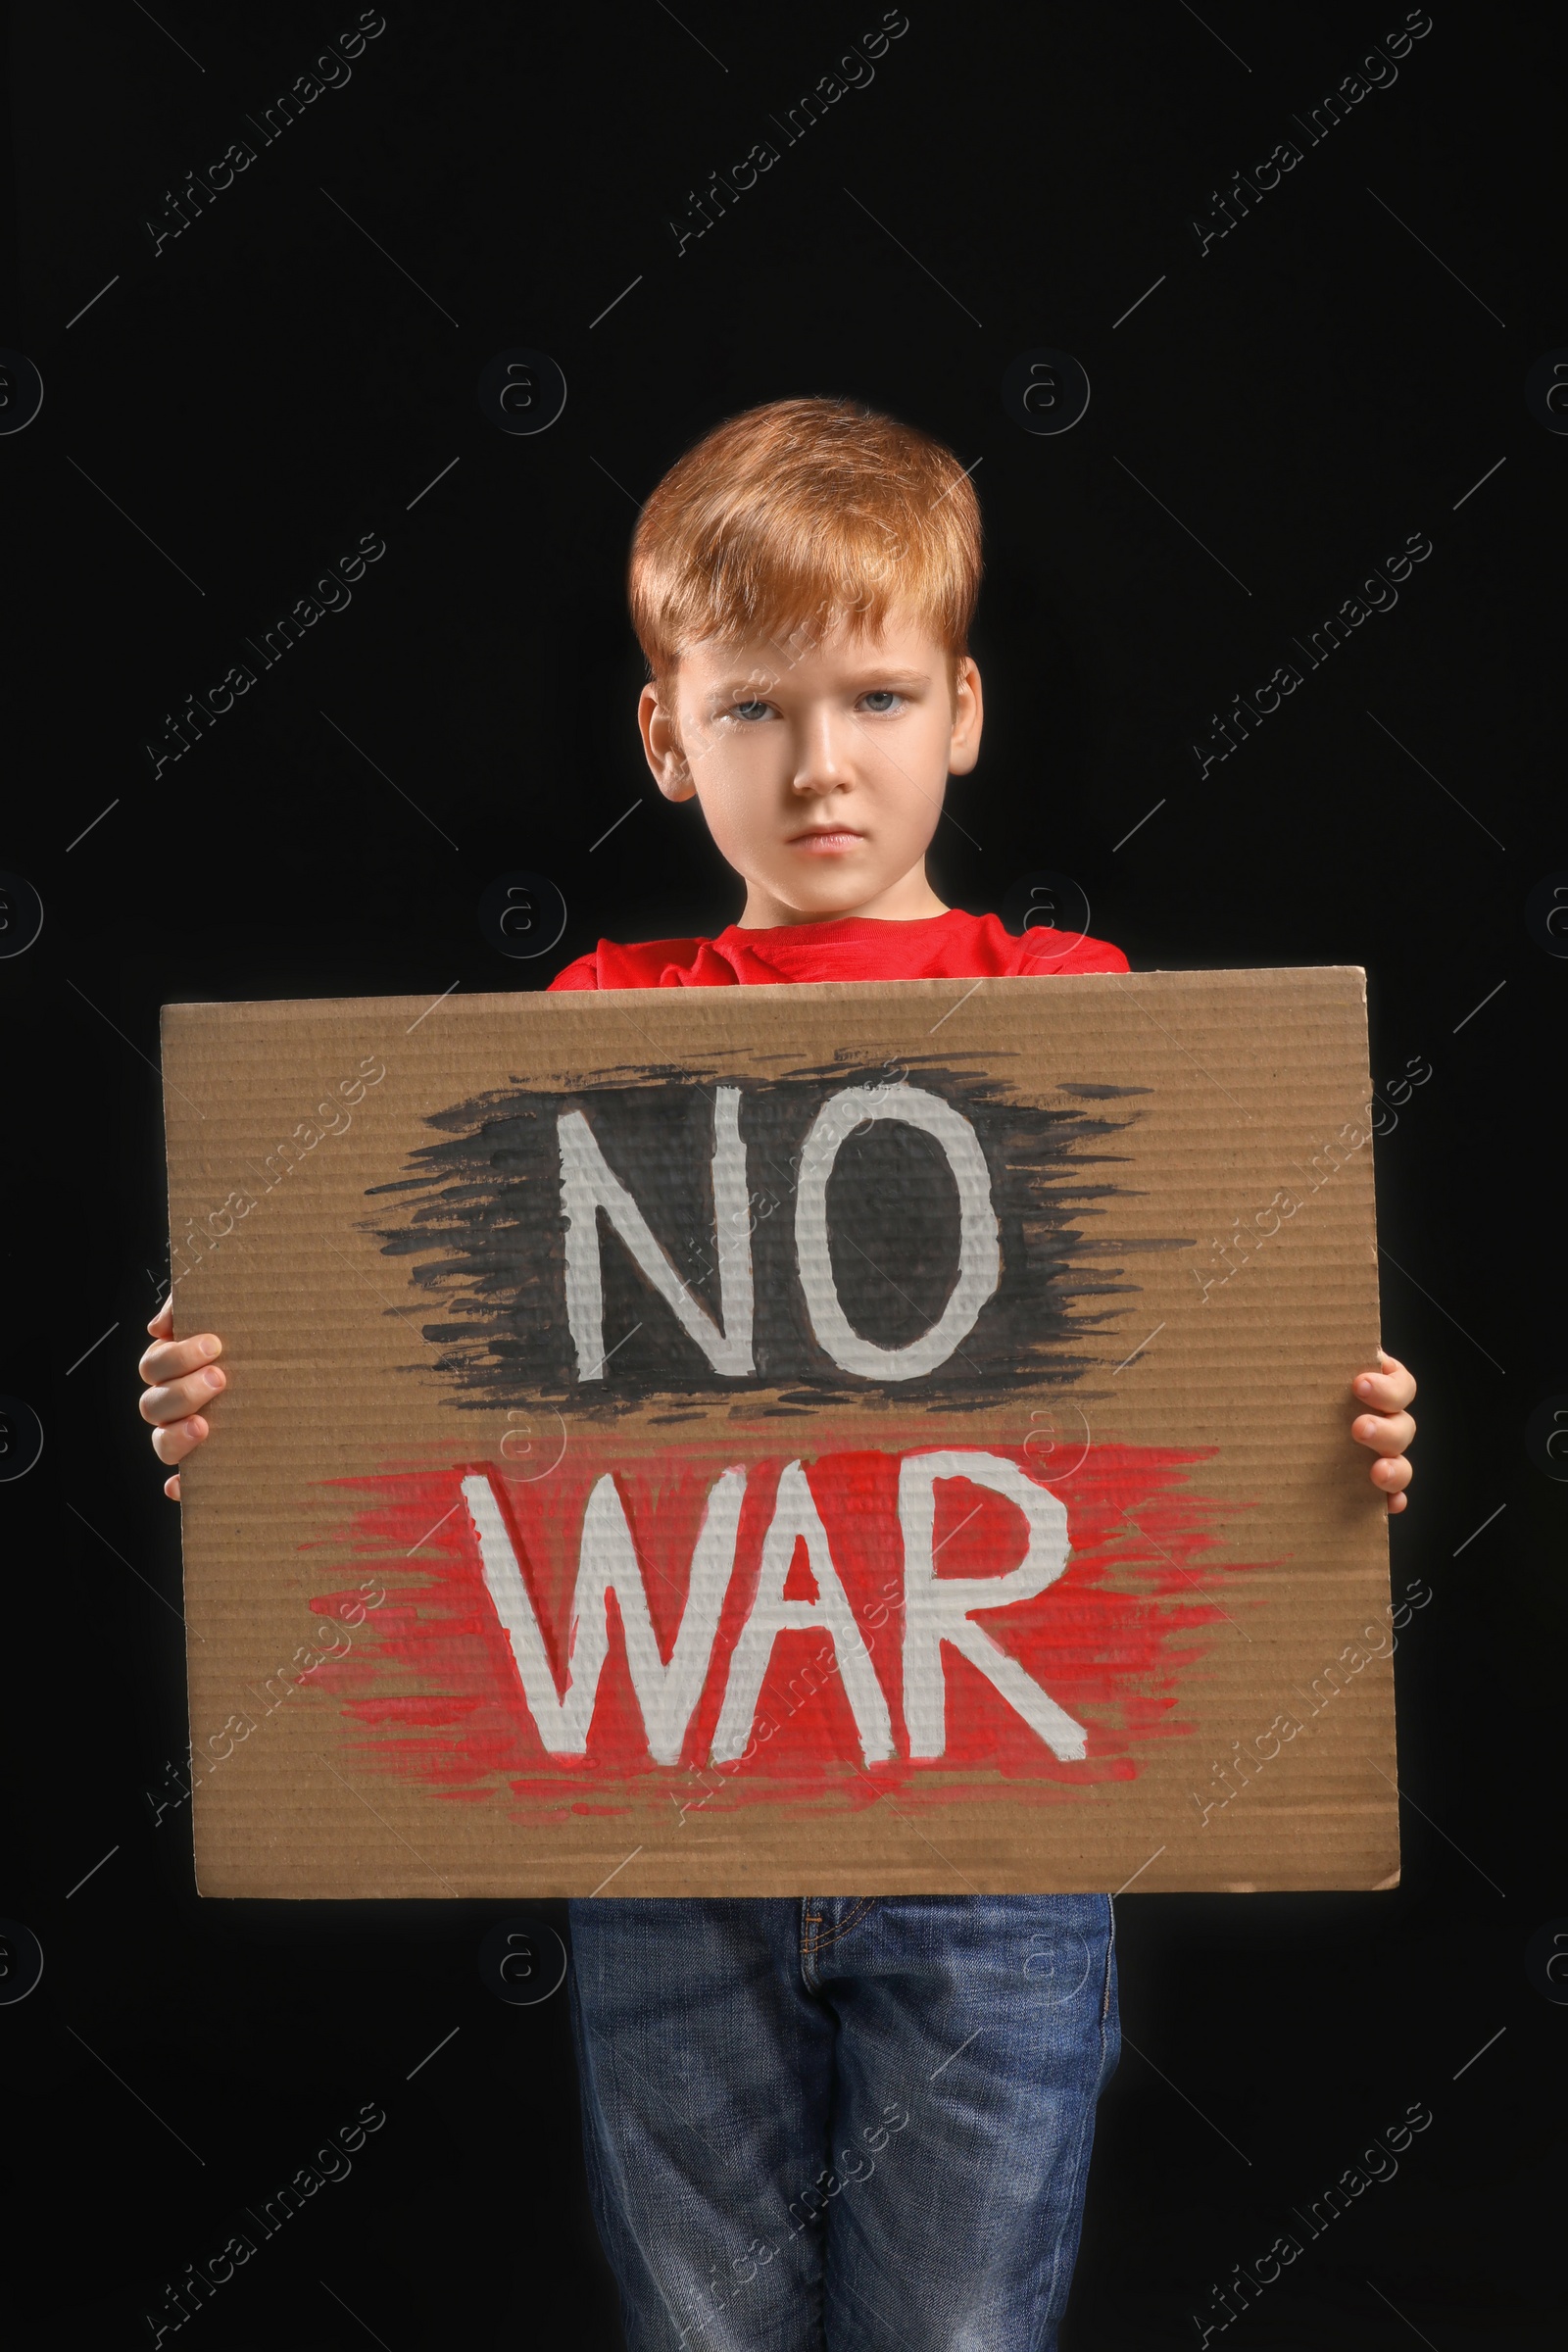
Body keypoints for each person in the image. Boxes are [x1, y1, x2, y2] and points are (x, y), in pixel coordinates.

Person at [138, 397, 1417, 2350]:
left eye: (877, 699)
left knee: (953, 2330)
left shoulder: (1071, 1026)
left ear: (962, 711)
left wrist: (1325, 1435)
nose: (821, 765)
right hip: (669, 1837)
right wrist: (253, 1413)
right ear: (667, 737)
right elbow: (457, 1405)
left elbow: (1187, 1385)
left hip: (997, 1847)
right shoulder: (590, 1034)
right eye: (752, 711)